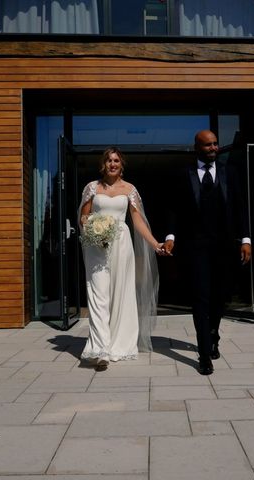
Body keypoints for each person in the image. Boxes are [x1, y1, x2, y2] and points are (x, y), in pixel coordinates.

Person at [162, 130, 251, 375]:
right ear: (197, 148)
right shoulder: (184, 174)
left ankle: (213, 332)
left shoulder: (229, 173)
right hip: (195, 247)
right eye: (208, 145)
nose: (213, 148)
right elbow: (173, 208)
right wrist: (170, 236)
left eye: (215, 144)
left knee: (220, 296)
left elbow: (240, 207)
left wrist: (246, 239)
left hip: (225, 245)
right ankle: (204, 354)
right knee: (200, 299)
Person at [78, 147, 164, 371]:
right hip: (96, 247)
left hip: (121, 245)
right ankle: (99, 350)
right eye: (108, 161)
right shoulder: (92, 188)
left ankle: (118, 345)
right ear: (103, 164)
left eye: (116, 160)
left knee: (120, 294)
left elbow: (137, 222)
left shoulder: (130, 189)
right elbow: (83, 217)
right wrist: (93, 231)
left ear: (121, 164)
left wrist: (155, 244)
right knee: (99, 295)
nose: (112, 164)